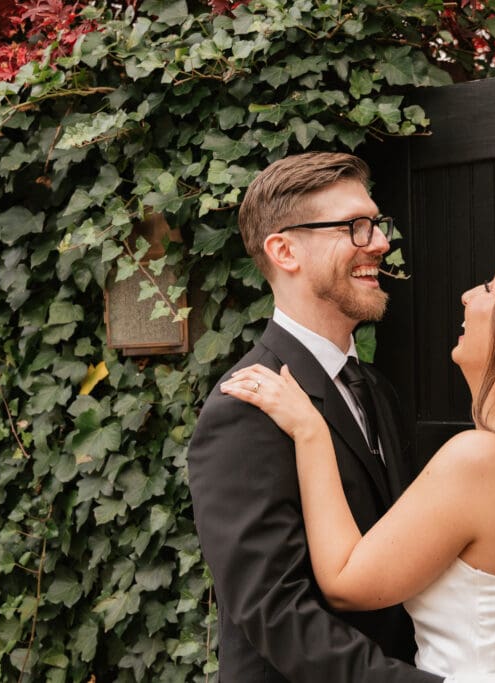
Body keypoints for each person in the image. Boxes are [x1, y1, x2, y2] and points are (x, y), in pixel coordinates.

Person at [221, 249, 495, 682]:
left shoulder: (480, 460)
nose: (466, 296)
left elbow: (343, 581)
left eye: (488, 288)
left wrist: (310, 431)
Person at [186, 152, 446, 682]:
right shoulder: (244, 407)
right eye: (354, 226)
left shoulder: (376, 390)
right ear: (284, 250)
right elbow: (278, 616)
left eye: (376, 224)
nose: (379, 242)